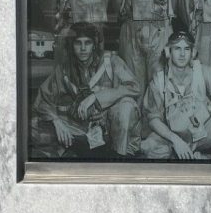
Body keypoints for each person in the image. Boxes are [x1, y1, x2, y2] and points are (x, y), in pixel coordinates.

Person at [30, 23, 140, 158]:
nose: (83, 49)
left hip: (111, 129)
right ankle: (75, 150)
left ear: (94, 45)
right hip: (81, 128)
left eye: (87, 43)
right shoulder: (65, 69)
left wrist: (96, 97)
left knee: (126, 106)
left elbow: (134, 87)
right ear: (72, 45)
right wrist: (56, 121)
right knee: (34, 125)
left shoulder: (111, 62)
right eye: (78, 43)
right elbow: (42, 100)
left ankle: (119, 158)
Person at [141, 29, 211, 161]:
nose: (182, 54)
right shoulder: (158, 80)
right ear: (168, 52)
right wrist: (176, 141)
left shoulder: (203, 71)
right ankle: (198, 158)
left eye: (186, 49)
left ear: (193, 53)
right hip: (173, 134)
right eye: (177, 49)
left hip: (202, 132)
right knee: (149, 147)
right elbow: (153, 119)